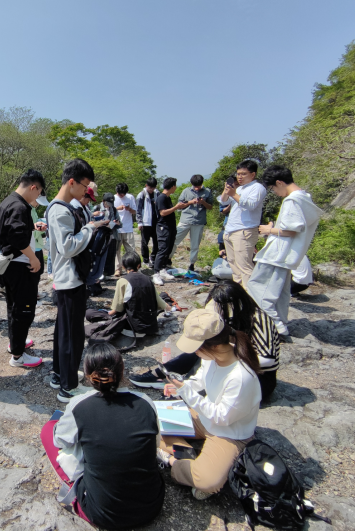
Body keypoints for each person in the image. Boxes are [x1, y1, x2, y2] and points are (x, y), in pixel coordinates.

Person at [41, 343, 165, 528]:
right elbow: (153, 445)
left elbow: (59, 440)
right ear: (122, 370)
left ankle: (75, 487)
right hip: (151, 506)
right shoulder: (145, 402)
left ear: (88, 375)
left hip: (102, 514)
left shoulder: (79, 405)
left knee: (48, 430)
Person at [156, 309, 262, 500]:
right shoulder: (213, 357)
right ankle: (189, 456)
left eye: (197, 347)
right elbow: (200, 380)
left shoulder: (240, 377)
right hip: (205, 419)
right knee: (152, 423)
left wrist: (186, 392)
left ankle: (174, 460)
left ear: (214, 345)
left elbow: (221, 417)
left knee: (207, 481)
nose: (194, 352)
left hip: (229, 433)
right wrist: (181, 387)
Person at [129, 280, 279, 400]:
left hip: (258, 378)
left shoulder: (258, 319)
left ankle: (186, 389)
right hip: (228, 364)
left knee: (207, 353)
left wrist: (228, 357)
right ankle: (162, 374)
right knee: (199, 349)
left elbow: (269, 359)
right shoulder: (230, 317)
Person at [47, 159, 109, 403]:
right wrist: (90, 228)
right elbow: (68, 247)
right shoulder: (60, 210)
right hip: (69, 280)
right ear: (71, 182)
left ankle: (59, 375)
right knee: (71, 336)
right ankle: (68, 387)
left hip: (69, 279)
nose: (86, 191)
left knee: (64, 331)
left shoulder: (61, 207)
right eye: (85, 186)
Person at [247, 166, 323, 336]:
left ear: (279, 182)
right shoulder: (304, 197)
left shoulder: (292, 201)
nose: (274, 192)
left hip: (278, 254)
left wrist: (268, 230)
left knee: (256, 287)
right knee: (280, 293)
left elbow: (291, 230)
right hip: (289, 254)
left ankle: (276, 325)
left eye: (273, 188)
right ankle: (281, 322)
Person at [0, 169, 46, 369]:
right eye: (39, 192)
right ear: (33, 187)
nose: (37, 198)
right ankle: (18, 356)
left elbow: (12, 231)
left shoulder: (8, 201)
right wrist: (33, 258)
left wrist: (33, 228)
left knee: (14, 306)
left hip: (11, 265)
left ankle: (16, 342)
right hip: (19, 265)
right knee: (24, 309)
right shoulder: (19, 205)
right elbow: (16, 237)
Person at [218, 160, 267, 287]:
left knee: (244, 265)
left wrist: (234, 194)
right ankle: (239, 292)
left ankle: (250, 294)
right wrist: (227, 190)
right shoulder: (239, 188)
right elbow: (223, 202)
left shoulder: (257, 188)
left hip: (244, 230)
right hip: (230, 230)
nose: (240, 177)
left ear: (253, 174)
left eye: (243, 174)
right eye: (238, 174)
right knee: (233, 265)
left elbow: (251, 205)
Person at [101, 251, 169, 338]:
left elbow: (118, 308)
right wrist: (169, 307)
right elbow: (159, 302)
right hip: (150, 327)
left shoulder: (122, 281)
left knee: (90, 313)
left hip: (131, 329)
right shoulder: (148, 279)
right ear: (139, 265)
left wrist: (107, 314)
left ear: (123, 266)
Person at [170, 175, 213, 272]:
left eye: (198, 186)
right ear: (191, 184)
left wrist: (203, 202)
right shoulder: (186, 191)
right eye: (195, 186)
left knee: (195, 245)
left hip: (199, 221)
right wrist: (190, 202)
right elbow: (179, 205)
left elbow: (210, 207)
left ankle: (192, 264)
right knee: (174, 239)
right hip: (185, 220)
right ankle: (168, 258)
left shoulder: (207, 191)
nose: (197, 188)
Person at [152, 177, 188, 286]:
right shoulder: (161, 198)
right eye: (175, 186)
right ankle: (156, 274)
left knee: (168, 248)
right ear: (172, 186)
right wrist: (176, 207)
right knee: (162, 249)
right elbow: (162, 213)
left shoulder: (167, 197)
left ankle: (163, 270)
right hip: (163, 227)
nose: (176, 188)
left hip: (171, 227)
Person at [114, 183, 137, 276]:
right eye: (120, 193)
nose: (122, 195)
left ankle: (132, 267)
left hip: (128, 228)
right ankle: (117, 269)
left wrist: (129, 209)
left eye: (124, 193)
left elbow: (135, 211)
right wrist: (118, 208)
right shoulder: (113, 198)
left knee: (131, 250)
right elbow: (108, 211)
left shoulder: (130, 197)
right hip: (117, 229)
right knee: (117, 251)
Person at [97, 192, 122, 278]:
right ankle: (99, 274)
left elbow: (120, 224)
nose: (109, 205)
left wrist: (117, 223)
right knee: (101, 256)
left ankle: (108, 274)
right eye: (108, 203)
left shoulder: (114, 210)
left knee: (111, 256)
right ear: (103, 201)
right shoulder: (97, 208)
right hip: (101, 236)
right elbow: (93, 222)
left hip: (112, 235)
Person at [32, 190, 50, 300]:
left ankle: (35, 291)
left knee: (39, 271)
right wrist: (41, 229)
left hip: (38, 245)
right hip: (33, 246)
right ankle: (33, 293)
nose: (38, 204)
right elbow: (31, 233)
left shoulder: (33, 209)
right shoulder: (27, 210)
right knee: (34, 272)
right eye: (37, 202)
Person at [136, 177, 158, 267]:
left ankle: (153, 257)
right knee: (145, 242)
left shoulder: (157, 194)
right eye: (150, 187)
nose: (152, 189)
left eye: (153, 187)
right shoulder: (141, 195)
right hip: (146, 222)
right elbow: (138, 209)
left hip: (156, 221)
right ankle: (145, 259)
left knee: (157, 241)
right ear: (146, 185)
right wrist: (139, 222)